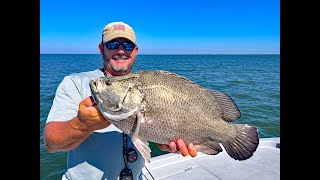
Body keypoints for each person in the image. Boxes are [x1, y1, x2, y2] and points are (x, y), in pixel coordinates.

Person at [44, 21, 198, 180]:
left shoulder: (149, 85)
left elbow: (156, 129)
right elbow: (51, 143)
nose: (120, 50)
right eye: (112, 44)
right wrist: (82, 124)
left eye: (127, 45)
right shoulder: (74, 83)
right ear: (101, 48)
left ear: (136, 51)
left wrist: (165, 141)